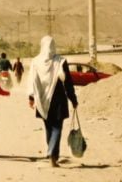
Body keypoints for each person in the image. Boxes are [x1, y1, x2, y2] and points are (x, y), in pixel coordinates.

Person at [27, 36, 78, 167]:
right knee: (57, 127)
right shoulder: (60, 61)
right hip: (58, 99)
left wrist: (31, 98)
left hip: (41, 98)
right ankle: (52, 155)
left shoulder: (35, 61)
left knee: (49, 127)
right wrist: (73, 99)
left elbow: (31, 81)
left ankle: (53, 156)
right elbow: (68, 83)